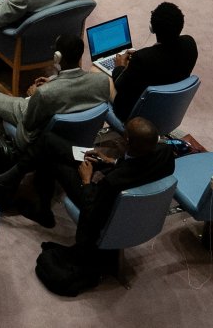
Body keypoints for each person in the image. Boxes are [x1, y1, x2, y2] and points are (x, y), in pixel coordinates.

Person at [27, 117, 173, 280]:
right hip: (133, 207)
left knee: (54, 160)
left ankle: (42, 209)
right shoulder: (166, 154)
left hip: (99, 203)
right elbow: (136, 169)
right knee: (51, 142)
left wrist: (86, 180)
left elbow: (91, 208)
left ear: (127, 140)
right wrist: (114, 161)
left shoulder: (112, 182)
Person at [0, 33, 113, 156]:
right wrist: (53, 82)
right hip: (80, 139)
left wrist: (35, 95)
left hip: (37, 141)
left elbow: (28, 123)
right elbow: (75, 91)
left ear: (57, 57)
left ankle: (10, 148)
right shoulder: (102, 80)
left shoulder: (44, 93)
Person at [109, 2, 198, 121]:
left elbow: (120, 84)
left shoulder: (142, 59)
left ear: (152, 28)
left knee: (100, 77)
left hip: (135, 117)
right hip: (168, 111)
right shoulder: (190, 44)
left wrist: (119, 66)